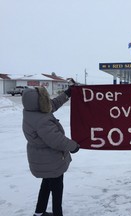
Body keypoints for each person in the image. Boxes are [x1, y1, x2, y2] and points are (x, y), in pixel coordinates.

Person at [22, 84, 80, 216]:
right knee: (57, 189)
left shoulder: (31, 112)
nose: (47, 101)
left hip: (42, 159)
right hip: (51, 160)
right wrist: (73, 146)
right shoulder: (42, 120)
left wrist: (67, 94)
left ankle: (39, 212)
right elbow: (57, 140)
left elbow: (53, 104)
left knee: (46, 184)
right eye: (44, 99)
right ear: (39, 102)